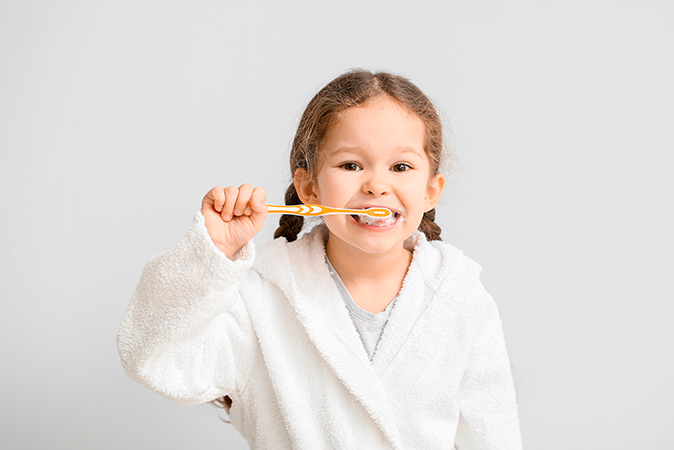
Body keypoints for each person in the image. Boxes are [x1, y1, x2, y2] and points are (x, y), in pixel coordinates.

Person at [116, 69, 523, 449]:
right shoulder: (261, 298)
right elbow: (156, 360)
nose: (377, 185)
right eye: (350, 165)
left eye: (401, 166)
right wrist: (210, 258)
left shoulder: (459, 298)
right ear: (309, 187)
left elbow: (494, 436)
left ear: (431, 191)